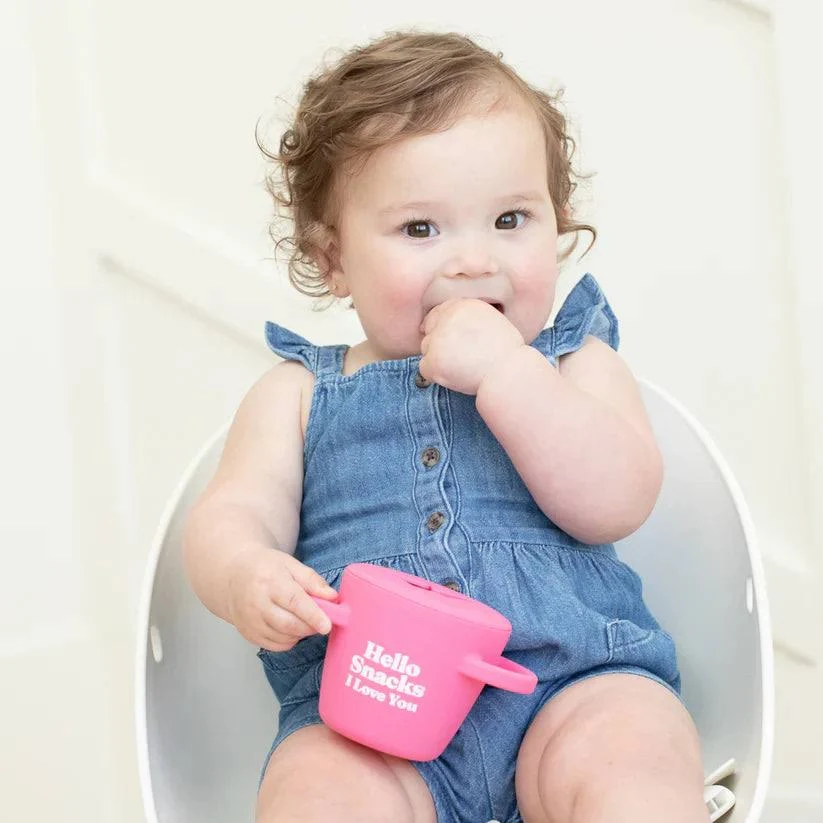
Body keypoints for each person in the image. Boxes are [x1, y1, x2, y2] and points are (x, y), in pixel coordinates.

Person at [183, 29, 709, 823]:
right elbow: (232, 513)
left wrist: (507, 373)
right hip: (370, 707)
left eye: (509, 218)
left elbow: (616, 501)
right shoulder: (297, 393)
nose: (472, 261)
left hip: (570, 681)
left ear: (558, 223)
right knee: (315, 792)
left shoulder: (574, 362)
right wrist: (244, 571)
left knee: (630, 759)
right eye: (420, 230)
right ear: (332, 259)